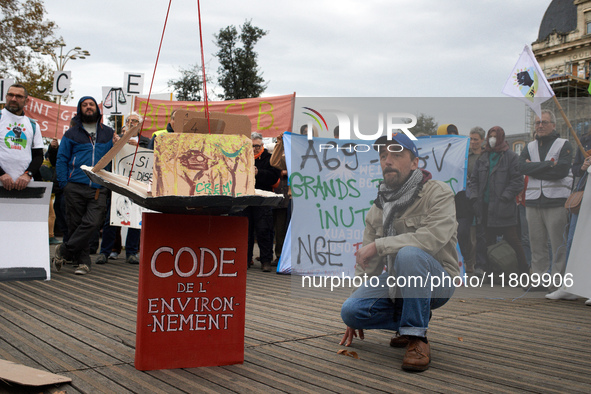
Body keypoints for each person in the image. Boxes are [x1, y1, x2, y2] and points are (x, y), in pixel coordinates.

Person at [340, 133, 459, 372]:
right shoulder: (378, 208)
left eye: (396, 154)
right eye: (383, 155)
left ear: (415, 162)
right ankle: (410, 321)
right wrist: (356, 300)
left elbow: (431, 238)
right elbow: (368, 264)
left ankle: (417, 337)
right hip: (399, 282)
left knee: (409, 253)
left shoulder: (438, 192)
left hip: (438, 280)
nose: (387, 160)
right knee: (350, 311)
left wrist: (381, 245)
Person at [54, 96, 114, 275]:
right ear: (80, 109)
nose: (88, 107)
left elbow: (117, 154)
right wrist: (65, 184)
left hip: (98, 186)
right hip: (75, 186)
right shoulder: (71, 133)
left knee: (93, 223)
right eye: (84, 105)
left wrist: (127, 142)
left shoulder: (109, 133)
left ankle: (63, 250)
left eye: (91, 105)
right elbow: (62, 158)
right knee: (75, 224)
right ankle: (83, 262)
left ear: (97, 109)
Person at [519, 109, 573, 291]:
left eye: (544, 122)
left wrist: (533, 167)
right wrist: (550, 164)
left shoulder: (563, 144)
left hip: (556, 200)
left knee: (558, 243)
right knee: (537, 243)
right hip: (533, 201)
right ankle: (539, 279)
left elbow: (562, 170)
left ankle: (558, 282)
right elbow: (520, 167)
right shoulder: (529, 146)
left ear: (553, 125)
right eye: (537, 123)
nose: (540, 126)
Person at [469, 126, 528, 275]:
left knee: (513, 240)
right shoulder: (483, 157)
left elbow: (517, 181)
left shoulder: (511, 157)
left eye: (495, 136)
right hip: (485, 207)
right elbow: (474, 180)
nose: (492, 139)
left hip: (504, 208)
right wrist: (475, 197)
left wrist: (505, 197)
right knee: (487, 242)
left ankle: (524, 270)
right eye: (490, 136)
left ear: (501, 137)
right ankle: (492, 272)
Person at [545, 128, 591, 303]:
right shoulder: (585, 139)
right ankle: (571, 286)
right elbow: (576, 169)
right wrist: (584, 167)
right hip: (583, 196)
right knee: (573, 240)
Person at [246, 132, 280, 272]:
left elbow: (274, 178)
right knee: (246, 231)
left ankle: (266, 260)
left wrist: (258, 173)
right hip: (247, 198)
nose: (254, 148)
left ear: (262, 145)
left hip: (263, 200)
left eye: (257, 146)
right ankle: (246, 260)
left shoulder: (269, 158)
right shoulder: (244, 157)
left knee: (264, 230)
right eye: (252, 146)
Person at [0, 84, 43, 191]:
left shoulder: (33, 125)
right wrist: (1, 174)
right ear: (6, 97)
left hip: (24, 187)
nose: (13, 99)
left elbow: (38, 156)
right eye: (10, 95)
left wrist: (28, 175)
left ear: (26, 101)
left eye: (18, 96)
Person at [457, 127, 484, 274]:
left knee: (477, 236)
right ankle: (469, 263)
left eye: (476, 139)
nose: (473, 142)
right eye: (471, 139)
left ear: (482, 140)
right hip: (467, 200)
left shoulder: (485, 156)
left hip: (481, 199)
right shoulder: (466, 156)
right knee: (466, 234)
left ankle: (477, 264)